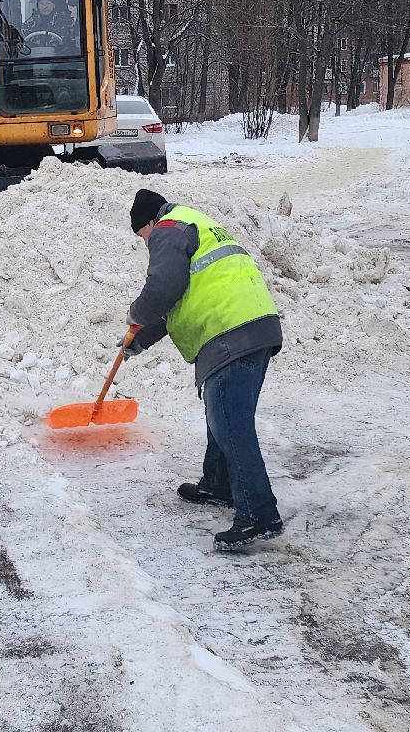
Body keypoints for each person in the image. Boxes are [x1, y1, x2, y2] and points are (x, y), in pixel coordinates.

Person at [125, 188, 285, 550]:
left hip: (231, 331)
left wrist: (135, 313)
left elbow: (162, 289)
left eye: (141, 236)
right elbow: (176, 300)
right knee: (224, 416)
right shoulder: (194, 227)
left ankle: (259, 514)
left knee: (231, 424)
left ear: (150, 222)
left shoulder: (168, 228)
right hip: (253, 324)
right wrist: (137, 340)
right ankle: (218, 484)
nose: (144, 242)